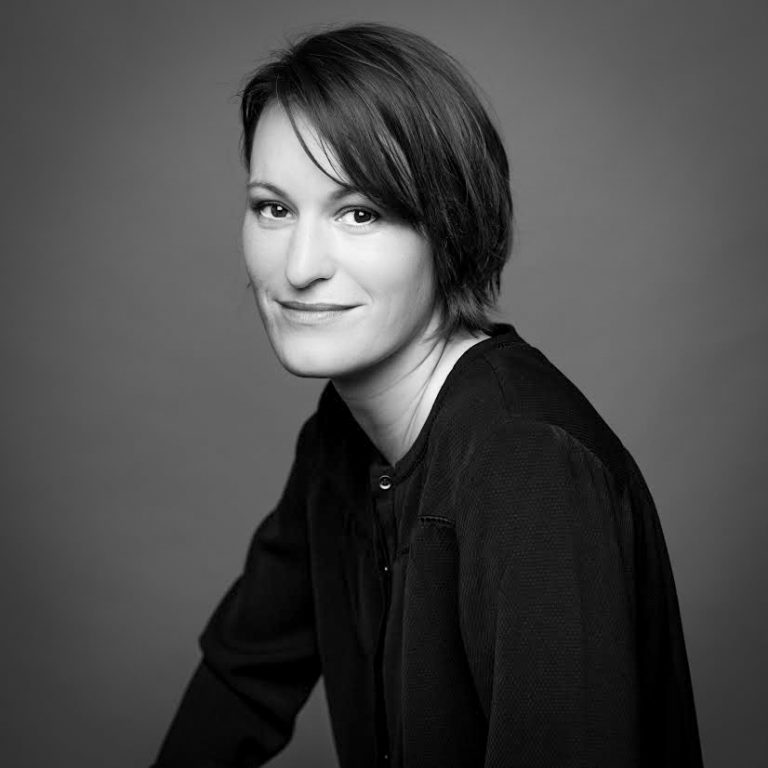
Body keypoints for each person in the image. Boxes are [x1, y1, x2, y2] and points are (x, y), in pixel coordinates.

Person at [151, 22, 703, 768]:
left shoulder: (526, 466)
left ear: (449, 229)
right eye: (273, 208)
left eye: (359, 213)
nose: (300, 267)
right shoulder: (341, 439)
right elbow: (240, 680)